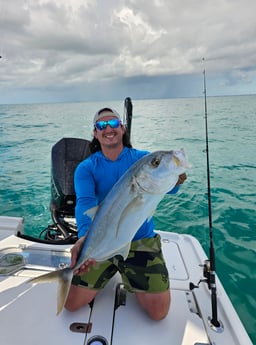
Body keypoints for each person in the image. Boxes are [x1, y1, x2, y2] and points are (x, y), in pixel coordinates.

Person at [64, 107, 187, 320]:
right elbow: (85, 203)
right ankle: (107, 266)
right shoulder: (86, 168)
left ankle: (120, 270)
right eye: (102, 125)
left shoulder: (141, 158)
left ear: (123, 128)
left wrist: (176, 178)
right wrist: (84, 238)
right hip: (102, 240)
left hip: (140, 240)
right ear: (95, 133)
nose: (108, 129)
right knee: (72, 305)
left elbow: (168, 187)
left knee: (158, 312)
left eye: (113, 123)